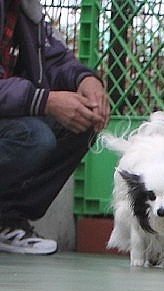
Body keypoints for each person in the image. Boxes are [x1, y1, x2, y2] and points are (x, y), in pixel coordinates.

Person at [0, 0, 110, 254]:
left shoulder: (26, 10)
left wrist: (86, 80)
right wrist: (45, 101)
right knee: (34, 137)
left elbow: (56, 58)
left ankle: (6, 219)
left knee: (81, 122)